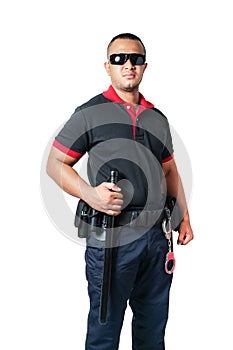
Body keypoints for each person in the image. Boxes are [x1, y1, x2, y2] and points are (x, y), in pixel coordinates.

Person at [46, 33, 194, 350]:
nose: (128, 64)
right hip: (112, 240)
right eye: (119, 59)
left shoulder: (157, 118)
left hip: (156, 239)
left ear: (144, 66)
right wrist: (89, 193)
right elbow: (56, 163)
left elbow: (169, 169)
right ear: (107, 66)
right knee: (104, 334)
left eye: (135, 59)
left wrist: (183, 218)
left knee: (152, 334)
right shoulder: (89, 112)